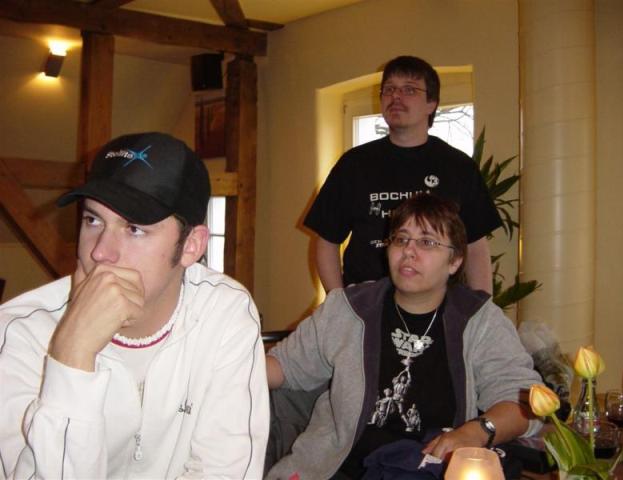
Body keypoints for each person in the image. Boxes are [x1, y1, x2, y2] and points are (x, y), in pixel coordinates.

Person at [0, 132, 269, 479]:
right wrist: (72, 355)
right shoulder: (16, 333)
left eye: (134, 229)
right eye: (93, 220)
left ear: (191, 245)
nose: (100, 252)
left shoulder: (225, 313)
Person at [266, 194, 540, 479]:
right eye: (400, 239)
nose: (409, 251)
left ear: (455, 261)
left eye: (427, 242)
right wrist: (235, 361)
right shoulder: (349, 308)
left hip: (428, 469)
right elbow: (284, 367)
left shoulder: (478, 319)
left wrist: (477, 431)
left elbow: (523, 402)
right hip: (337, 470)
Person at [304, 55, 501, 294]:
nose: (396, 96)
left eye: (409, 89)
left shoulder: (458, 166)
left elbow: (475, 246)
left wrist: (482, 307)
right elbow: (326, 241)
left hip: (439, 306)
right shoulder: (354, 164)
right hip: (366, 303)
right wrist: (338, 303)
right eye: (389, 89)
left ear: (431, 103)